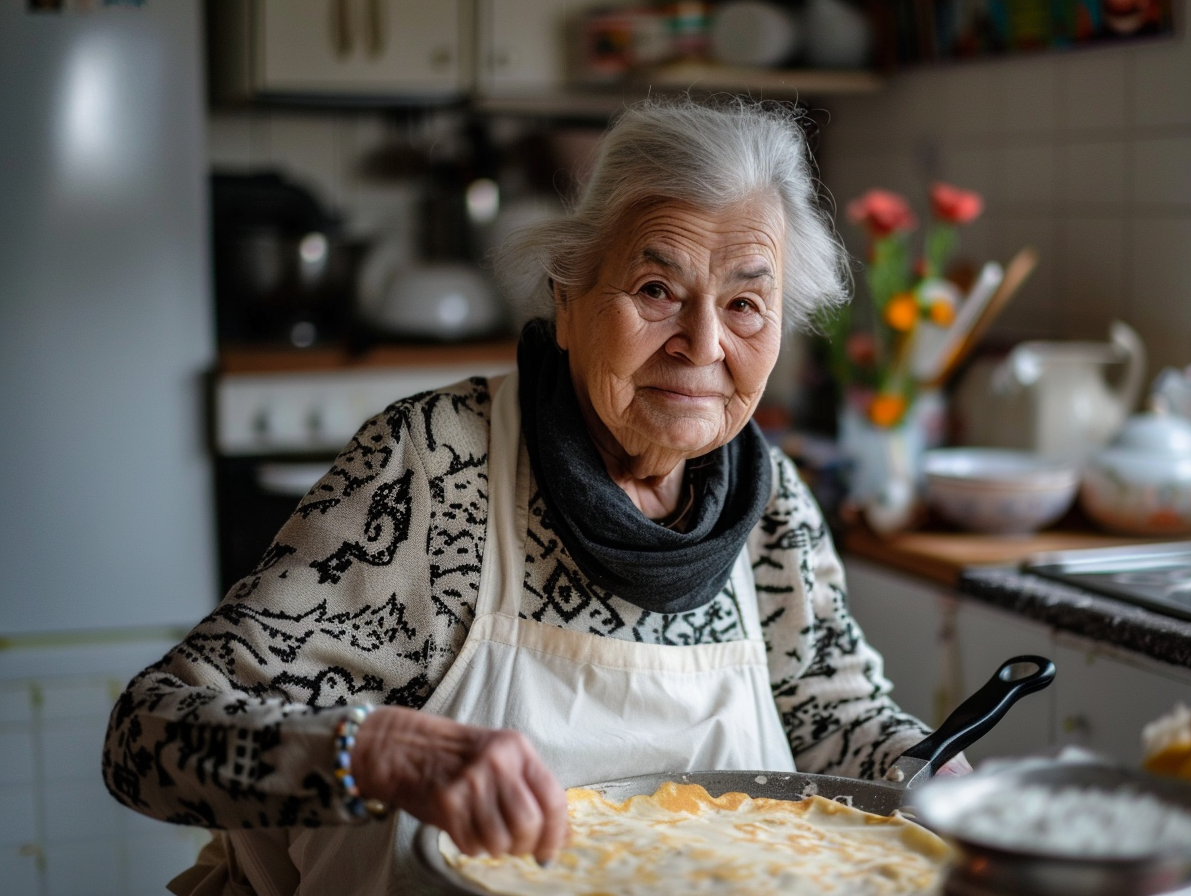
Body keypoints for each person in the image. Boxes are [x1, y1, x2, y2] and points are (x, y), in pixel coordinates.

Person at [103, 96, 966, 896]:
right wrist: (375, 752)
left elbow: (833, 718)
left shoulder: (770, 504)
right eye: (657, 290)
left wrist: (936, 779)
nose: (702, 344)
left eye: (746, 303)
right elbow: (147, 739)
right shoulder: (437, 470)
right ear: (568, 296)